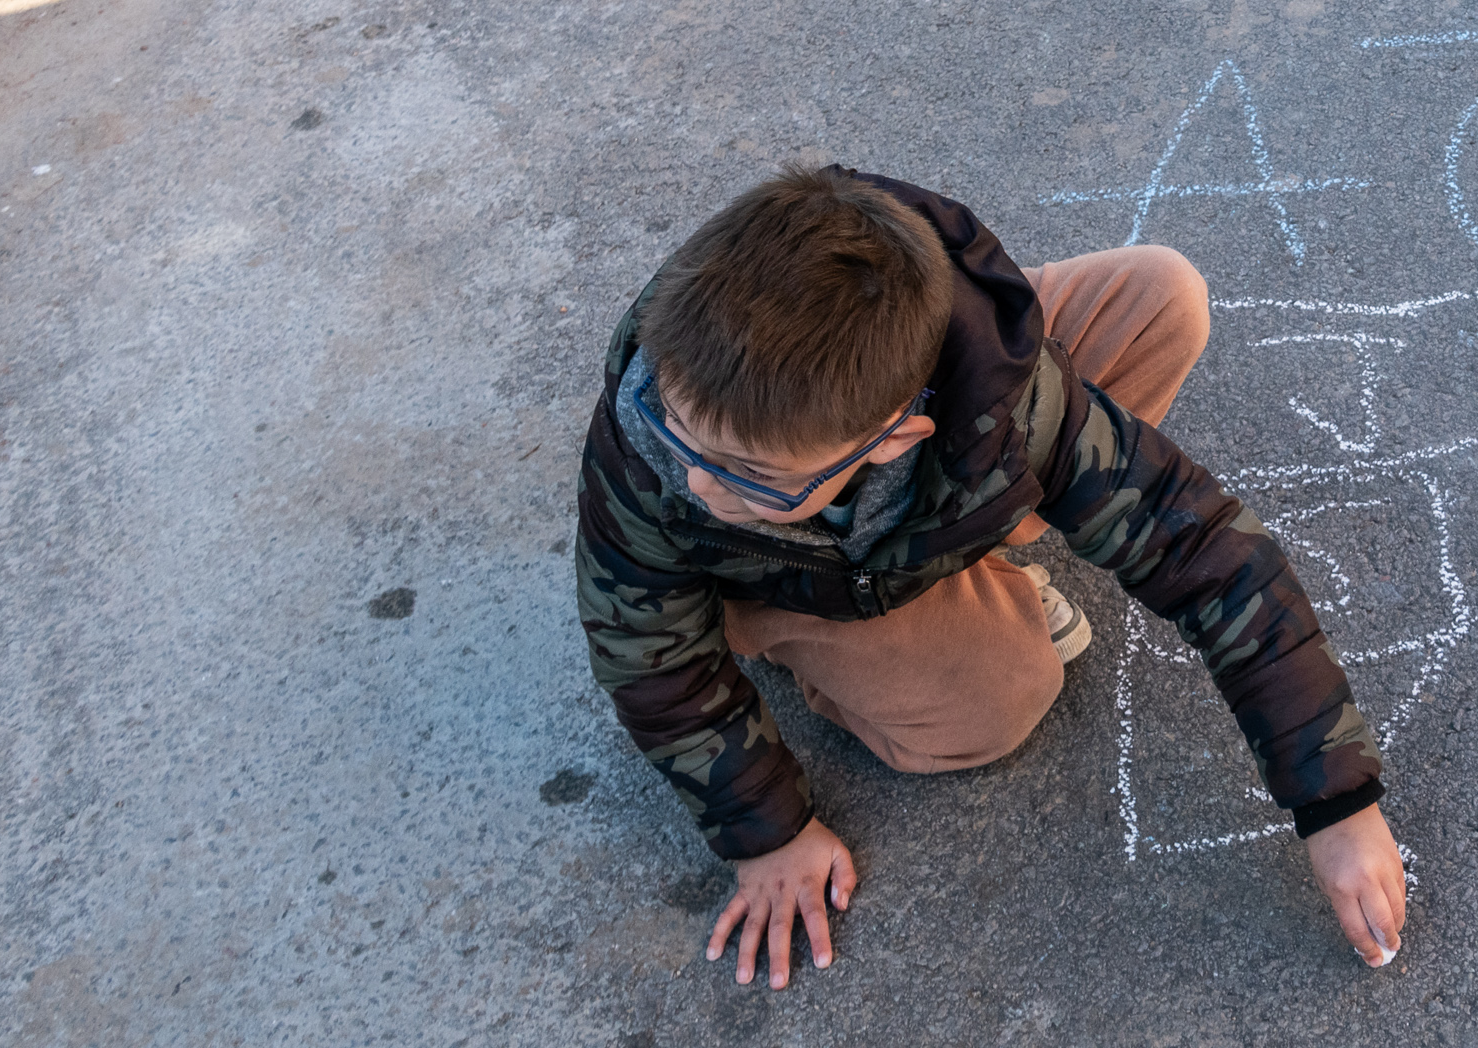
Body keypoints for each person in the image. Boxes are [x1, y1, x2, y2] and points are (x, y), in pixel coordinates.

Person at [573, 165, 1405, 988]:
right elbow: (651, 658)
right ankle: (868, 617)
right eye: (670, 423)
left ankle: (985, 532)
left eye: (751, 475)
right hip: (789, 580)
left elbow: (1207, 556)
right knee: (996, 700)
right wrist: (766, 833)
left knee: (1164, 296)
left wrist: (1335, 801)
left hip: (936, 462)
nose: (697, 484)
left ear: (896, 439)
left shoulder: (1005, 402)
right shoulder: (651, 443)